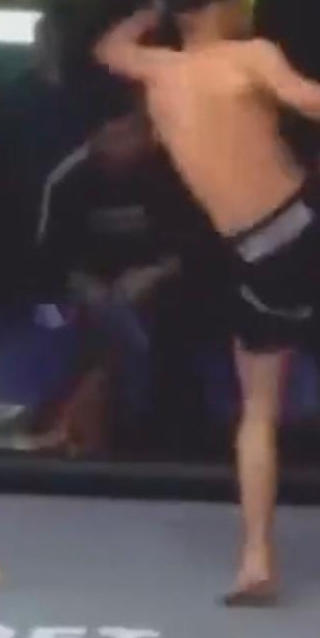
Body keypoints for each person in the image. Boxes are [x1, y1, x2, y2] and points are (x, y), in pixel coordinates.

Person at [93, 0, 320, 604]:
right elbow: (310, 100)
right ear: (220, 7)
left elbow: (108, 47)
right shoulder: (248, 54)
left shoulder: (156, 69)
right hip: (309, 228)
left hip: (257, 250)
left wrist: (152, 10)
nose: (248, 10)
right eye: (242, 0)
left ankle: (257, 558)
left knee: (260, 406)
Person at [33, 104, 213, 452]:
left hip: (164, 292)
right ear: (96, 138)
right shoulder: (67, 180)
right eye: (114, 135)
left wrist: (156, 273)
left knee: (169, 328)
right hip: (75, 301)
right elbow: (46, 264)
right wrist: (84, 284)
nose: (124, 143)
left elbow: (205, 249)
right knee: (73, 323)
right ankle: (86, 423)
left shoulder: (178, 172)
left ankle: (163, 429)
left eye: (132, 133)